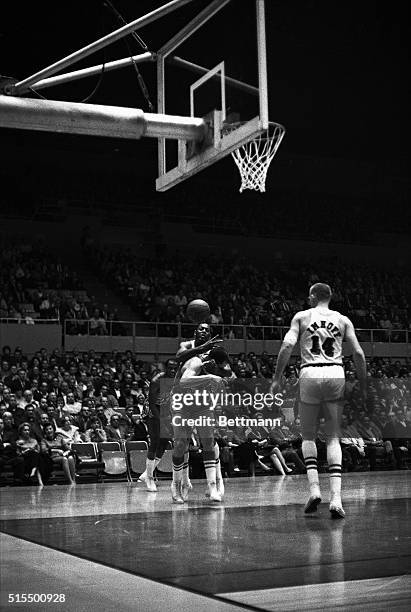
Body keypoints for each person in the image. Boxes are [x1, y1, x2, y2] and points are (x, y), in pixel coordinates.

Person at [271, 283, 367, 519]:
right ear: (330, 297)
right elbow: (358, 354)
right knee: (334, 437)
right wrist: (364, 382)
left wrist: (276, 378)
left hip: (310, 372)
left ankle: (314, 490)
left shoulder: (302, 316)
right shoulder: (343, 320)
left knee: (308, 435)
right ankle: (336, 498)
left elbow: (286, 345)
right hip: (335, 371)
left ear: (313, 296)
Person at [138, 359, 178, 492]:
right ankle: (149, 479)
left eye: (175, 368)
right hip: (153, 412)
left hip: (166, 412)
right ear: (165, 368)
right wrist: (161, 419)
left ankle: (146, 474)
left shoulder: (175, 379)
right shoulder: (156, 380)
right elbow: (152, 403)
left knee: (164, 442)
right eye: (170, 368)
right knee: (154, 443)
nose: (173, 371)